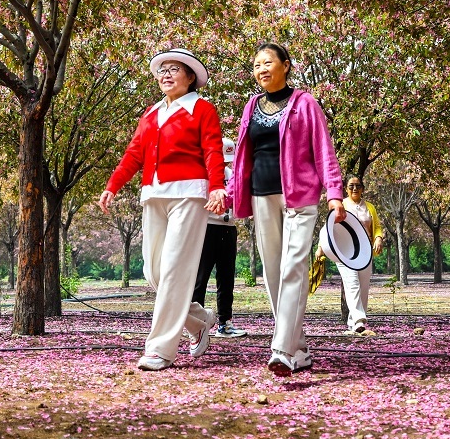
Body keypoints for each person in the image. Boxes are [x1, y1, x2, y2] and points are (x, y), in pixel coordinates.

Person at [100, 48, 226, 370]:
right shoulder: (151, 113)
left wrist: (217, 187)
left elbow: (212, 150)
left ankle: (159, 349)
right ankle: (198, 320)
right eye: (162, 70)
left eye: (174, 69)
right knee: (154, 273)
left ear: (191, 77)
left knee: (173, 272)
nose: (166, 74)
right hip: (153, 194)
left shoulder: (202, 109)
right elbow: (133, 153)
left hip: (189, 194)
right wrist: (113, 185)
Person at [228, 43, 345, 376]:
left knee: (294, 265)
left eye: (268, 62)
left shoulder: (305, 103)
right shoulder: (251, 106)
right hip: (261, 195)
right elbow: (241, 155)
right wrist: (233, 192)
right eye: (257, 65)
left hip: (300, 195)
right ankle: (300, 348)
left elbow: (323, 150)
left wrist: (334, 191)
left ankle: (281, 349)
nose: (262, 69)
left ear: (286, 66)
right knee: (273, 272)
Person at [193, 138, 247, 338]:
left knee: (226, 279)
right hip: (207, 228)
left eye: (227, 160)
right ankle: (195, 323)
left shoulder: (233, 175)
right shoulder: (204, 175)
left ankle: (225, 323)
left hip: (228, 228)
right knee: (201, 278)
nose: (225, 164)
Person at [335, 175, 383, 336]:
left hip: (365, 251)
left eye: (358, 186)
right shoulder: (341, 206)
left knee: (363, 287)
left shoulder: (369, 207)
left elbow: (376, 227)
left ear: (362, 188)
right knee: (352, 283)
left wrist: (378, 239)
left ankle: (352, 323)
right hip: (345, 251)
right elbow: (330, 227)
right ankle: (359, 320)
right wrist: (322, 247)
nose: (354, 189)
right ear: (346, 189)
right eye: (351, 186)